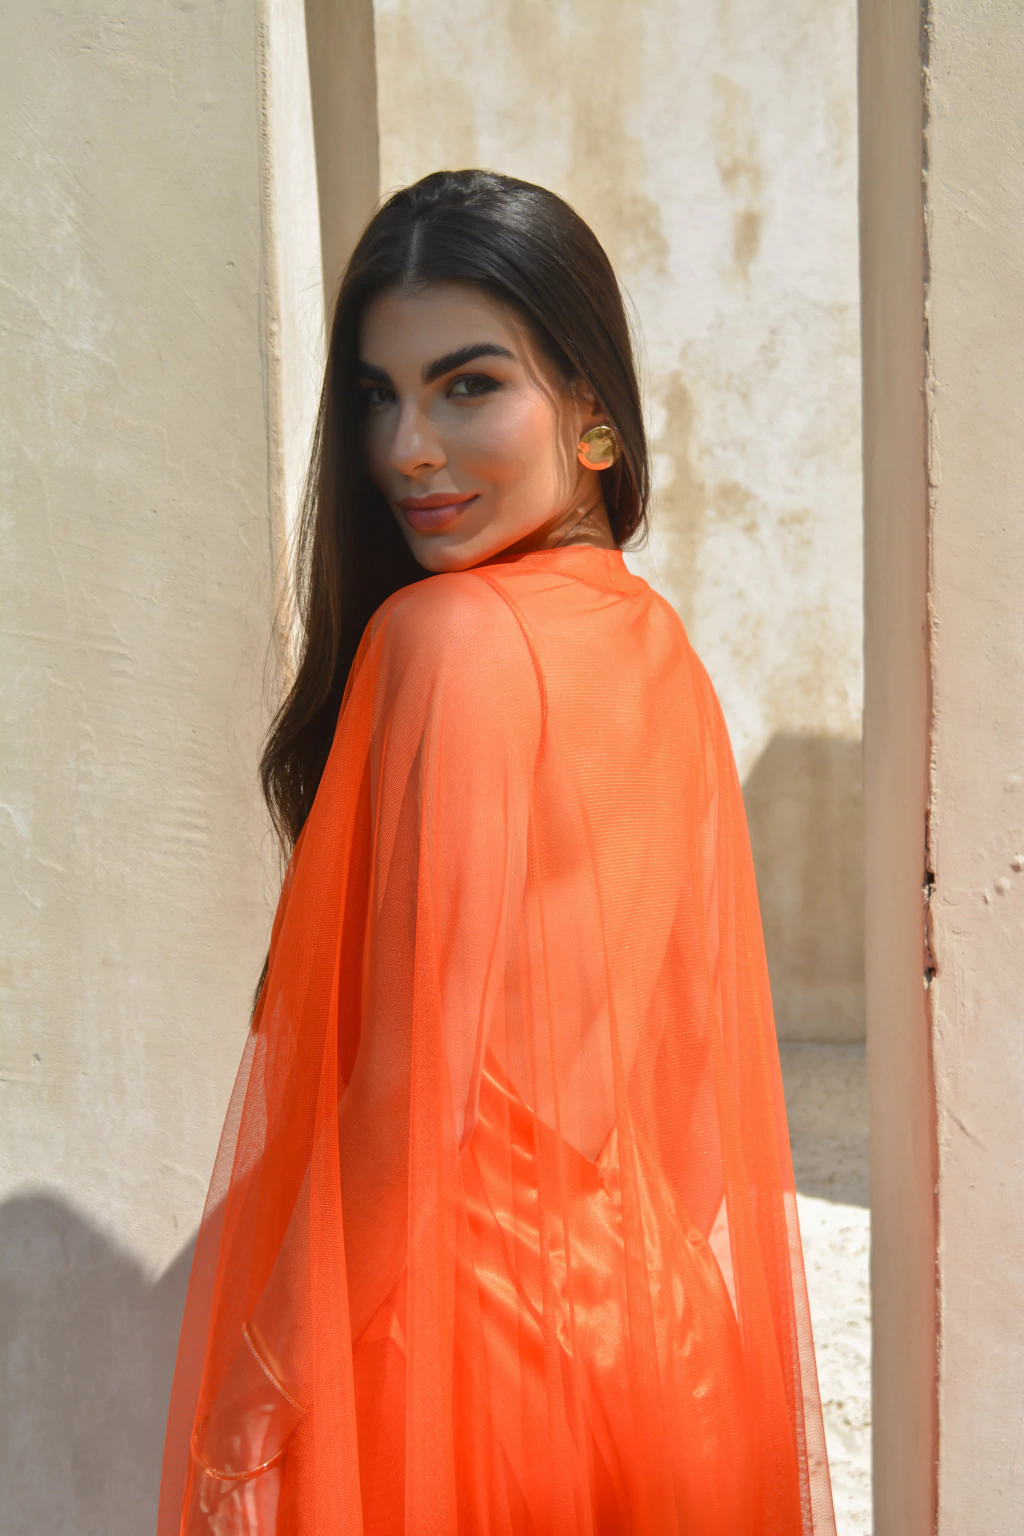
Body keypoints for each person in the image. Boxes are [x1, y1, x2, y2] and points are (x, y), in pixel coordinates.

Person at [159, 169, 835, 1536]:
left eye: (469, 385)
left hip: (464, 1359)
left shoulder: (451, 639)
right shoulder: (661, 651)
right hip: (665, 1344)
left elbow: (414, 1098)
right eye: (377, 395)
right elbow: (688, 1103)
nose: (407, 447)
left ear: (595, 412)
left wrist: (248, 1404)